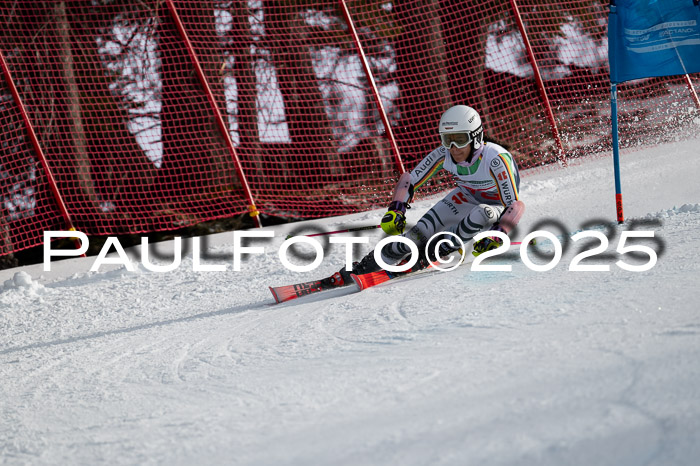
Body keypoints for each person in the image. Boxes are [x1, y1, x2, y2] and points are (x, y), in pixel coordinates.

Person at [327, 104, 524, 286]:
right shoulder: (444, 153)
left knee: (482, 213)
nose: (453, 148)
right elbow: (409, 180)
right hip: (465, 197)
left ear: (476, 137)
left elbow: (515, 205)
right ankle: (364, 266)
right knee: (415, 236)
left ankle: (441, 249)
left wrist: (498, 234)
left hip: (495, 208)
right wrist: (397, 209)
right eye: (448, 139)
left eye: (460, 139)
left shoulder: (496, 159)